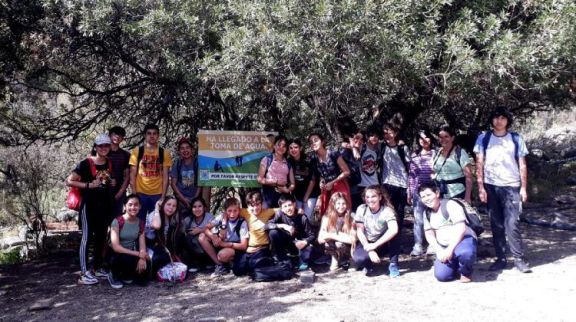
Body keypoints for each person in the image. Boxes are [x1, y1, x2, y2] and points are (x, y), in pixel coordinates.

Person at [474, 106, 531, 273]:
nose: (499, 121)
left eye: (503, 118)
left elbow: (522, 164)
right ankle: (501, 258)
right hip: (491, 186)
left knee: (512, 223)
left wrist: (524, 188)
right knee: (496, 224)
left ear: (508, 120)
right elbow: (479, 163)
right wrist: (481, 188)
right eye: (496, 117)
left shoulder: (516, 138)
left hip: (512, 186)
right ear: (492, 119)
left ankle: (519, 259)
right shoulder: (484, 138)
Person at [65, 133, 116, 285]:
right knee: (86, 238)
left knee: (101, 237)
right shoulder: (86, 163)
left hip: (104, 205)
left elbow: (105, 181)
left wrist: (111, 182)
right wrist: (88, 185)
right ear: (95, 147)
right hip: (89, 205)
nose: (104, 148)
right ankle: (83, 272)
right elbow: (69, 181)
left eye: (106, 145)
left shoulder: (109, 163)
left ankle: (97, 268)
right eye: (101, 145)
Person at [418, 183, 477, 282]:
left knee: (465, 253)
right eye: (423, 197)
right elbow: (429, 234)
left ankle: (465, 271)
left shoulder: (450, 205)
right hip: (444, 244)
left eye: (429, 195)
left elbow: (461, 228)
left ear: (437, 193)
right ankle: (455, 265)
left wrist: (450, 249)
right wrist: (439, 250)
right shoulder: (427, 213)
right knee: (442, 276)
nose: (426, 199)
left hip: (463, 240)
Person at [353, 185, 400, 277]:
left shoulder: (387, 210)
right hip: (367, 241)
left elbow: (394, 229)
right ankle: (368, 264)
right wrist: (369, 249)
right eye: (367, 197)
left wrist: (375, 245)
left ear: (380, 197)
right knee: (359, 259)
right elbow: (360, 231)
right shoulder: (361, 209)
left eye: (373, 196)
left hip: (382, 242)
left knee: (395, 236)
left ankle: (393, 264)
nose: (370, 200)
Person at [129, 124, 173, 220]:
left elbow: (166, 177)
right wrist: (134, 194)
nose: (152, 136)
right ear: (145, 135)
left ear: (158, 136)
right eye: (149, 133)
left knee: (156, 223)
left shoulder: (164, 153)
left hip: (157, 193)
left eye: (154, 134)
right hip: (140, 193)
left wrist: (163, 197)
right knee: (139, 222)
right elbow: (132, 174)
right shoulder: (137, 151)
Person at [108, 194, 151, 288]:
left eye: (136, 205)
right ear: (125, 206)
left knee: (145, 274)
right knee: (124, 259)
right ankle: (113, 274)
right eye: (130, 204)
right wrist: (138, 254)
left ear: (140, 207)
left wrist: (142, 258)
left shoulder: (140, 223)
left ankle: (127, 274)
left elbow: (142, 245)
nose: (133, 207)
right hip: (117, 254)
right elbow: (116, 247)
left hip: (131, 253)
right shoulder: (117, 221)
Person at [265, 194, 316, 271]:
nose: (288, 208)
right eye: (285, 206)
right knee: (273, 232)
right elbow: (266, 226)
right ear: (281, 208)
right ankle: (282, 259)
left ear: (294, 204)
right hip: (286, 243)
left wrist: (305, 242)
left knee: (309, 250)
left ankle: (300, 261)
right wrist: (283, 226)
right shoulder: (280, 214)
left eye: (290, 205)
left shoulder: (302, 217)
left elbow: (312, 235)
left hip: (299, 244)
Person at [407, 130, 437, 256]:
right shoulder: (414, 155)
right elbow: (412, 175)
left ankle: (433, 244)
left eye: (427, 138)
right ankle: (418, 245)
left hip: (433, 190)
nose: (424, 141)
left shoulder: (436, 153)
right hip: (418, 192)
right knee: (418, 219)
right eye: (421, 138)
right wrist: (409, 191)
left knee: (434, 218)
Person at [202, 197, 249, 277]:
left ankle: (227, 263)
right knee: (202, 237)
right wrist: (213, 237)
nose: (232, 214)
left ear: (239, 211)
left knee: (222, 255)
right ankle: (220, 265)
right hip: (221, 242)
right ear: (225, 211)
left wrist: (225, 244)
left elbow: (244, 246)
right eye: (229, 211)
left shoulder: (242, 222)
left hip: (234, 246)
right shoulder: (222, 217)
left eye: (235, 211)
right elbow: (206, 228)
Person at [234, 191, 277, 276]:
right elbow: (228, 211)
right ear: (247, 205)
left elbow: (284, 208)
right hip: (248, 249)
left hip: (262, 248)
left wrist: (299, 211)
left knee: (257, 267)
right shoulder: (245, 212)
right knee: (237, 271)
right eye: (252, 205)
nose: (255, 208)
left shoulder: (267, 212)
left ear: (262, 204)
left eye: (258, 204)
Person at [308, 132, 351, 217]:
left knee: (342, 210)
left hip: (339, 185)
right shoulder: (314, 159)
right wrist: (321, 181)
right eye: (311, 142)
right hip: (326, 187)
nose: (313, 143)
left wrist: (333, 182)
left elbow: (346, 171)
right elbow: (320, 175)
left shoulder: (333, 153)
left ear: (322, 141)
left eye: (316, 140)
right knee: (328, 213)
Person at [379, 122, 410, 229]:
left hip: (401, 184)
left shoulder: (402, 148)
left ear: (396, 133)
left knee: (399, 211)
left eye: (390, 133)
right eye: (385, 133)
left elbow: (409, 166)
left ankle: (397, 236)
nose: (387, 135)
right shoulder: (382, 147)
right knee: (387, 210)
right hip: (387, 183)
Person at [432, 126, 473, 202]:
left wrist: (467, 197)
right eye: (441, 137)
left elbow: (469, 177)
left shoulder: (460, 153)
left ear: (452, 138)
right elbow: (434, 171)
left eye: (446, 137)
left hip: (457, 193)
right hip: (440, 193)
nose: (443, 139)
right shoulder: (436, 153)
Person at [318, 192, 356, 271]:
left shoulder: (351, 216)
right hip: (336, 242)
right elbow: (320, 239)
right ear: (333, 204)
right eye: (338, 203)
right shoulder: (326, 217)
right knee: (327, 244)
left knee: (339, 244)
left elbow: (353, 239)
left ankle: (353, 259)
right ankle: (335, 257)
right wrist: (338, 235)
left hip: (350, 246)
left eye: (343, 203)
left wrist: (332, 235)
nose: (341, 206)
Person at [257, 135, 296, 208]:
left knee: (282, 218)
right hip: (268, 195)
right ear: (274, 146)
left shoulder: (288, 163)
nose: (281, 147)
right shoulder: (267, 159)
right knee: (268, 217)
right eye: (279, 145)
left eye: (284, 146)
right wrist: (276, 182)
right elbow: (259, 179)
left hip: (284, 196)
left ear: (286, 148)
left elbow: (293, 183)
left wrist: (287, 190)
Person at [144, 196, 180, 273]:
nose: (171, 208)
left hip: (158, 246)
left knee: (165, 257)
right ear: (163, 204)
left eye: (174, 206)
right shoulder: (154, 214)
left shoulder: (171, 218)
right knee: (157, 259)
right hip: (147, 245)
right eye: (168, 204)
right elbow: (156, 226)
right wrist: (157, 208)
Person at [287, 138, 319, 222]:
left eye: (296, 147)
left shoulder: (309, 160)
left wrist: (305, 198)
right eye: (291, 148)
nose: (293, 150)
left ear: (300, 148)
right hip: (297, 195)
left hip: (310, 194)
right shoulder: (288, 162)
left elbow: (313, 180)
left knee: (306, 218)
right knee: (298, 218)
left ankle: (308, 234)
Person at [170, 137, 201, 217]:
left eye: (187, 148)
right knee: (180, 221)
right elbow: (173, 184)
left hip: (195, 198)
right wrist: (183, 199)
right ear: (179, 151)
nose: (185, 150)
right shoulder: (178, 164)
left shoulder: (197, 163)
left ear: (192, 150)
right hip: (181, 198)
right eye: (182, 148)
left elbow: (201, 182)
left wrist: (195, 198)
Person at [350, 129, 380, 210]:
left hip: (374, 183)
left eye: (376, 136)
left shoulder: (377, 150)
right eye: (372, 136)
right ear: (367, 137)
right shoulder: (362, 147)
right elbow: (351, 143)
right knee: (362, 208)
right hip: (362, 184)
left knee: (374, 207)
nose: (374, 138)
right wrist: (353, 148)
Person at [181, 197, 214, 271]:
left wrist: (200, 230)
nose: (197, 209)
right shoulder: (188, 220)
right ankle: (195, 264)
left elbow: (214, 233)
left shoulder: (209, 217)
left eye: (200, 206)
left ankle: (209, 262)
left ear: (204, 207)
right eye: (194, 207)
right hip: (194, 250)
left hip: (207, 247)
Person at [107, 126, 131, 217]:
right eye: (114, 134)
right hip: (102, 191)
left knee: (116, 220)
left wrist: (120, 192)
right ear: (109, 135)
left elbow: (127, 176)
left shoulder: (125, 155)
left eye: (120, 135)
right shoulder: (102, 151)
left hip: (119, 191)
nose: (117, 137)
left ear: (122, 139)